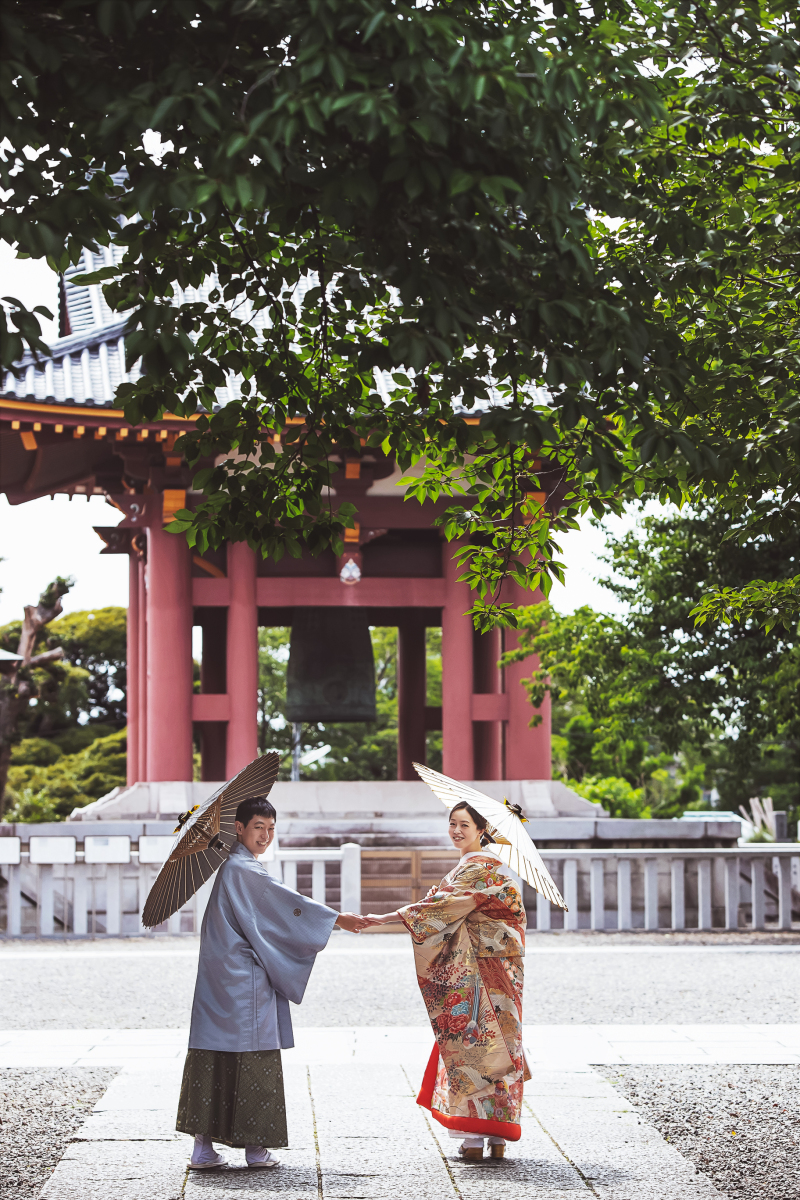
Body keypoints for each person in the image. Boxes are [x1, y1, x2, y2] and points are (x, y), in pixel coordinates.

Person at [176, 794, 368, 1170]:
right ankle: (256, 1150)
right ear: (239, 829)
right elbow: (283, 905)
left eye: (271, 829)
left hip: (219, 980)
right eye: (258, 828)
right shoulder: (244, 870)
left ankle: (203, 1148)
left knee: (214, 1056)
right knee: (255, 1056)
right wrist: (335, 919)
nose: (265, 836)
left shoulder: (233, 867)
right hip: (244, 981)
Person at [364, 801, 529, 1161]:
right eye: (452, 823)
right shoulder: (490, 868)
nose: (456, 830)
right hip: (502, 972)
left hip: (478, 970)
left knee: (471, 1042)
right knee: (501, 1046)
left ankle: (473, 1140)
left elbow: (436, 912)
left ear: (483, 830)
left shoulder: (477, 869)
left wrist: (381, 919)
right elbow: (446, 908)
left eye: (464, 825)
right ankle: (498, 1138)